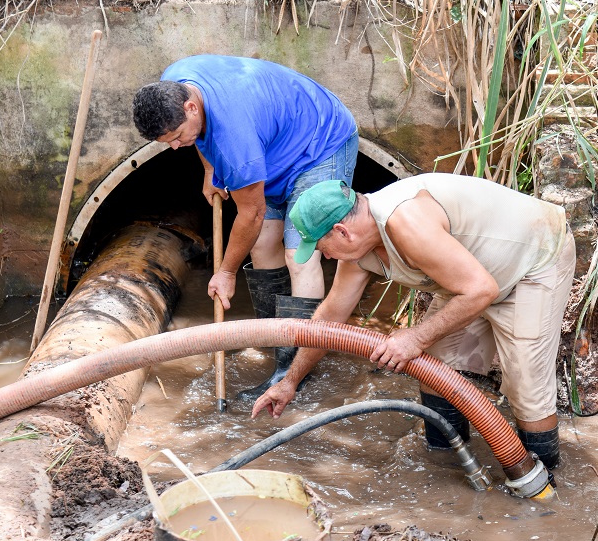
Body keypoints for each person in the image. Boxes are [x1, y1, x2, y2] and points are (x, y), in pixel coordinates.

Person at [251, 174, 576, 469]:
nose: (327, 256)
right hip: (470, 276)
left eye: (323, 248)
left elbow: (481, 290)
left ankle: (541, 482)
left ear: (342, 231)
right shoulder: (358, 250)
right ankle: (446, 466)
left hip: (533, 260)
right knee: (433, 368)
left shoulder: (407, 221)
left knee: (526, 386)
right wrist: (290, 381)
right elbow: (329, 319)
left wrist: (415, 338)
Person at [132, 54, 358, 397]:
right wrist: (210, 169)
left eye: (177, 136)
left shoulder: (234, 140)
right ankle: (275, 341)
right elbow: (202, 137)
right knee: (263, 244)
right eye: (168, 142)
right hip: (273, 145)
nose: (176, 147)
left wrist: (226, 272)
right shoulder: (175, 82)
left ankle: (294, 370)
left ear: (191, 107)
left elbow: (251, 213)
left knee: (299, 254)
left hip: (319, 143)